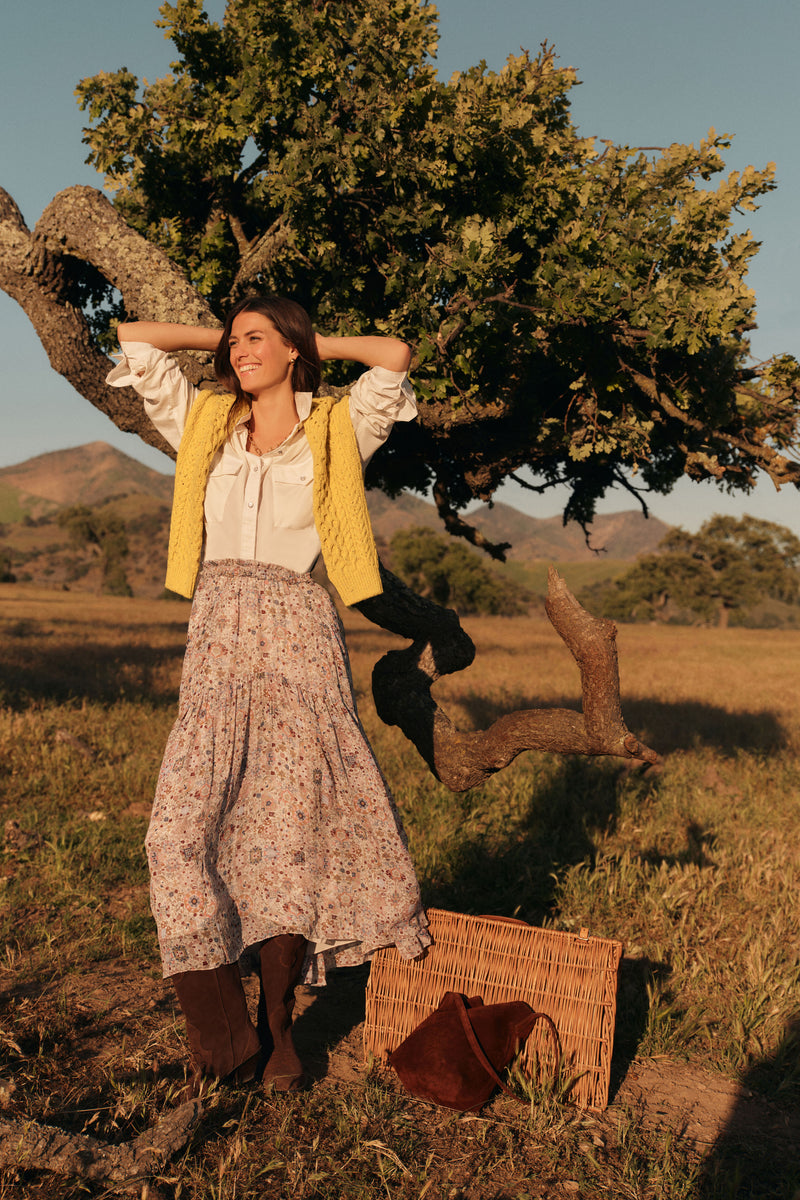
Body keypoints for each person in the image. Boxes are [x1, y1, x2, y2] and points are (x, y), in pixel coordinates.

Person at [107, 296, 430, 1099]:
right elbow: (135, 339)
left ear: (294, 349)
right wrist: (229, 335)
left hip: (299, 635)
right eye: (234, 341)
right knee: (175, 835)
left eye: (258, 338)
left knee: (286, 837)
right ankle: (226, 1039)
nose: (238, 351)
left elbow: (393, 354)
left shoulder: (338, 428)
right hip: (218, 637)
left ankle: (280, 1024)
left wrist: (304, 339)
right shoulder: (204, 423)